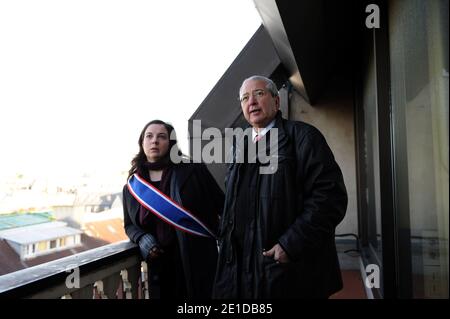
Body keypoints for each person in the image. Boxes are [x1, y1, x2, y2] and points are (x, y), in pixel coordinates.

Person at [212, 75, 348, 299]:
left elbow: (330, 198)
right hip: (240, 272)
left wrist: (291, 243)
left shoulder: (304, 137)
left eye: (259, 94)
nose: (252, 102)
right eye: (245, 98)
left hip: (288, 271)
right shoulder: (239, 146)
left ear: (276, 102)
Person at [123, 120, 224, 299]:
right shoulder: (132, 186)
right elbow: (129, 225)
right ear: (142, 142)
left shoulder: (194, 171)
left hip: (198, 262)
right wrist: (141, 238)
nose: (154, 141)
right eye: (149, 136)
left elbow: (224, 207)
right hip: (159, 268)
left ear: (170, 143)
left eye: (162, 137)